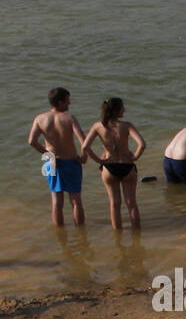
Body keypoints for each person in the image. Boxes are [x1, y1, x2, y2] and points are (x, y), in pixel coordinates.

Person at [81, 98, 145, 229]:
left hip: (109, 167)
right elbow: (142, 144)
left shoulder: (98, 126)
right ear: (116, 110)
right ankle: (136, 236)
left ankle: (118, 238)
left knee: (114, 204)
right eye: (122, 108)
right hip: (127, 166)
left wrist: (99, 161)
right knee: (131, 203)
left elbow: (85, 147)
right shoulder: (126, 125)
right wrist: (135, 157)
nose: (124, 110)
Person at [28, 87, 87, 227]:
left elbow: (32, 141)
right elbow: (83, 140)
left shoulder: (40, 119)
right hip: (70, 162)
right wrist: (84, 157)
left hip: (52, 163)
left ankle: (60, 235)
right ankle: (81, 234)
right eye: (67, 101)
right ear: (60, 102)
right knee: (75, 200)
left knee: (56, 200)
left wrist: (49, 156)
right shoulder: (69, 118)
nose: (69, 104)